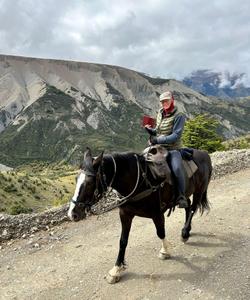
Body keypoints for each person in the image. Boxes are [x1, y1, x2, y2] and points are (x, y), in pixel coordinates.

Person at [144, 90, 188, 208]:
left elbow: (176, 135)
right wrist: (150, 130)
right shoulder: (160, 112)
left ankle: (182, 196)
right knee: (143, 161)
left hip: (173, 149)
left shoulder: (179, 115)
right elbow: (158, 130)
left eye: (166, 100)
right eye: (162, 101)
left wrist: (157, 140)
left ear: (172, 100)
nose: (164, 103)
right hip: (159, 147)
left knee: (177, 168)